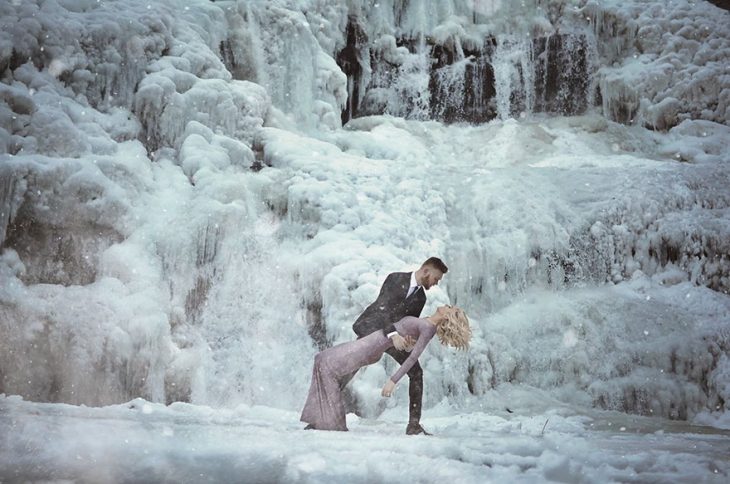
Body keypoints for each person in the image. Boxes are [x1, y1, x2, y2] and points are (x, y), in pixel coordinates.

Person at [300, 305, 470, 432]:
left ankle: (330, 424)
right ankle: (325, 420)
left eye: (449, 308)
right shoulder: (426, 321)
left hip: (371, 347)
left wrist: (392, 380)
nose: (446, 306)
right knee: (322, 361)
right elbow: (407, 345)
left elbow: (412, 358)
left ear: (447, 317)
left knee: (325, 363)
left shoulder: (428, 328)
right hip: (372, 341)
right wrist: (407, 344)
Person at [352, 257, 448, 435]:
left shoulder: (420, 298)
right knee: (350, 365)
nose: (436, 283)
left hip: (393, 337)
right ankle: (319, 416)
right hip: (372, 327)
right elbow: (383, 309)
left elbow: (406, 322)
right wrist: (393, 334)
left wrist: (408, 340)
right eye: (436, 278)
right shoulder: (396, 278)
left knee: (416, 372)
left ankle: (414, 425)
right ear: (426, 271)